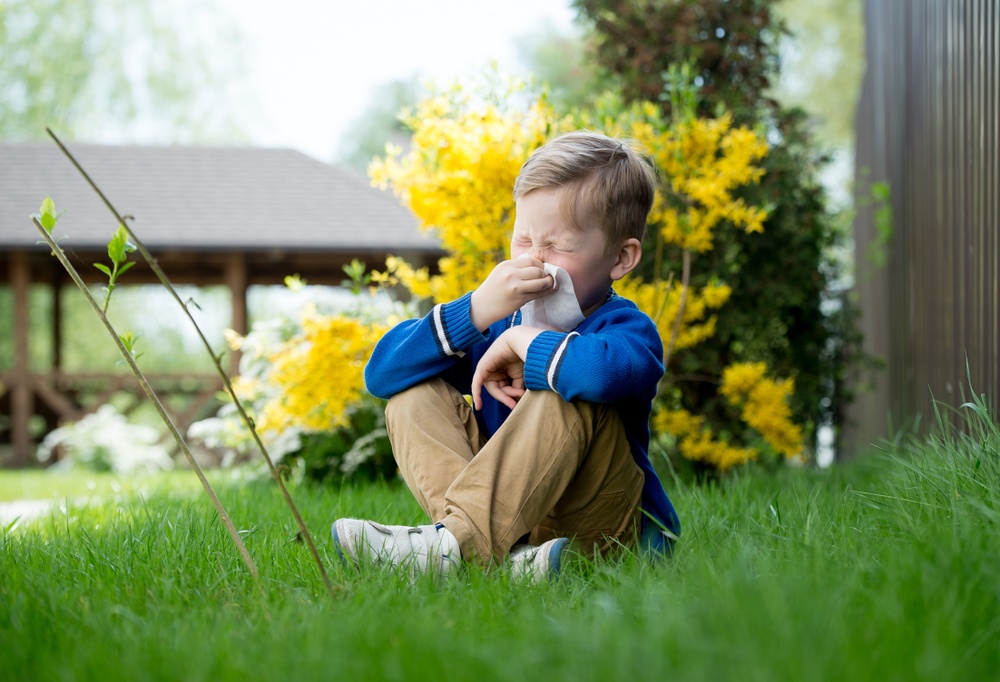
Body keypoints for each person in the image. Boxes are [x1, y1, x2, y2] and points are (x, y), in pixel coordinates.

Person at [332, 131, 681, 581]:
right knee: (410, 398)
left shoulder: (627, 330)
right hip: (515, 525)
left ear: (620, 258)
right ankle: (498, 559)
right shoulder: (498, 318)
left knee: (564, 389)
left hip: (602, 529)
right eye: (522, 241)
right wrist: (475, 311)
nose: (535, 260)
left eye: (558, 246)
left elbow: (601, 374)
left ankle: (452, 549)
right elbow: (383, 374)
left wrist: (523, 345)